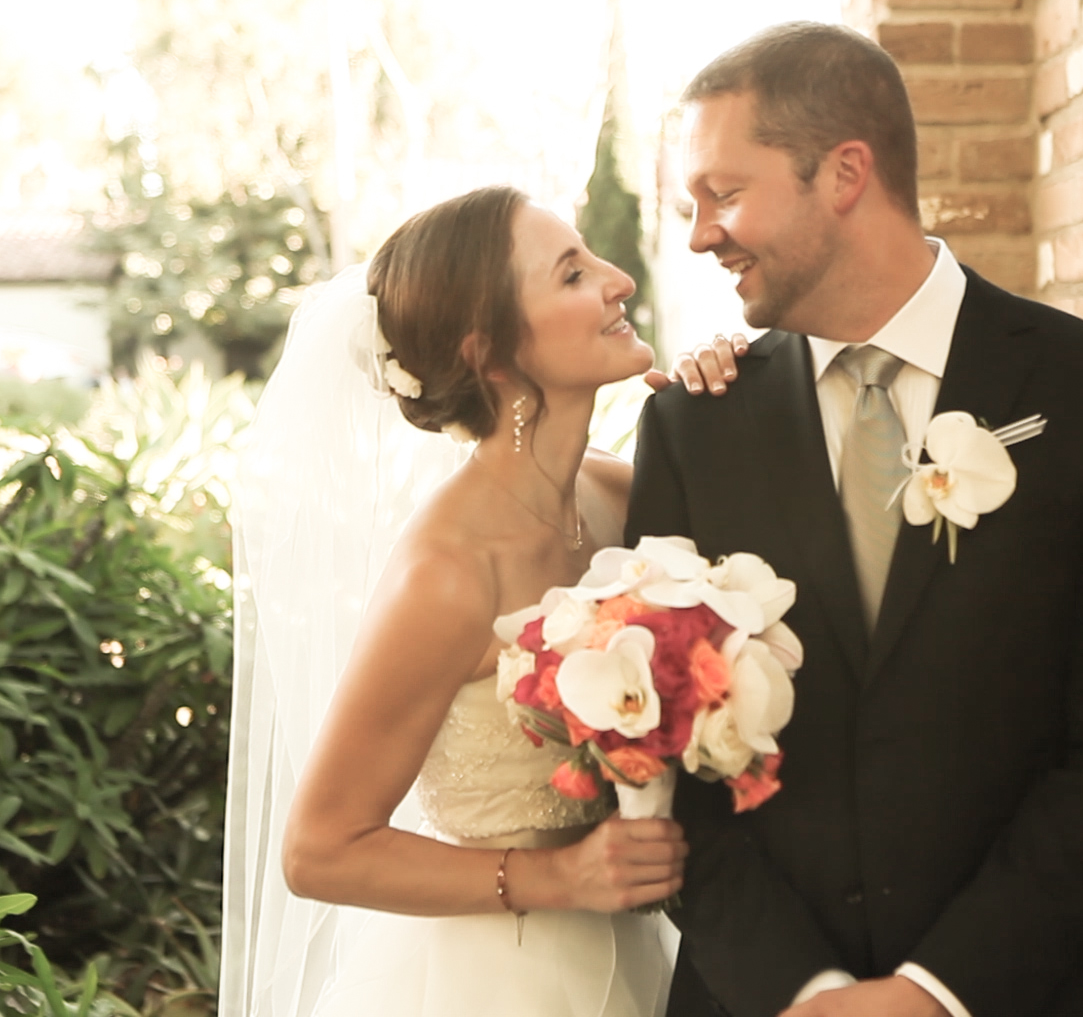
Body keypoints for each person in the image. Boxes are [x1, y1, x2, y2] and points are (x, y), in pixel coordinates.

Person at [627, 23, 1083, 1017]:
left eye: (724, 193)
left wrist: (934, 994)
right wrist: (801, 992)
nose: (700, 234)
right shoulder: (691, 426)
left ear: (845, 172)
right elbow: (672, 765)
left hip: (1028, 991)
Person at [220, 185, 747, 1017]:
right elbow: (319, 850)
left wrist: (726, 409)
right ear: (491, 357)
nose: (619, 281)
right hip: (500, 980)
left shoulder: (619, 495)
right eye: (573, 274)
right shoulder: (447, 572)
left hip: (648, 961)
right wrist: (559, 876)